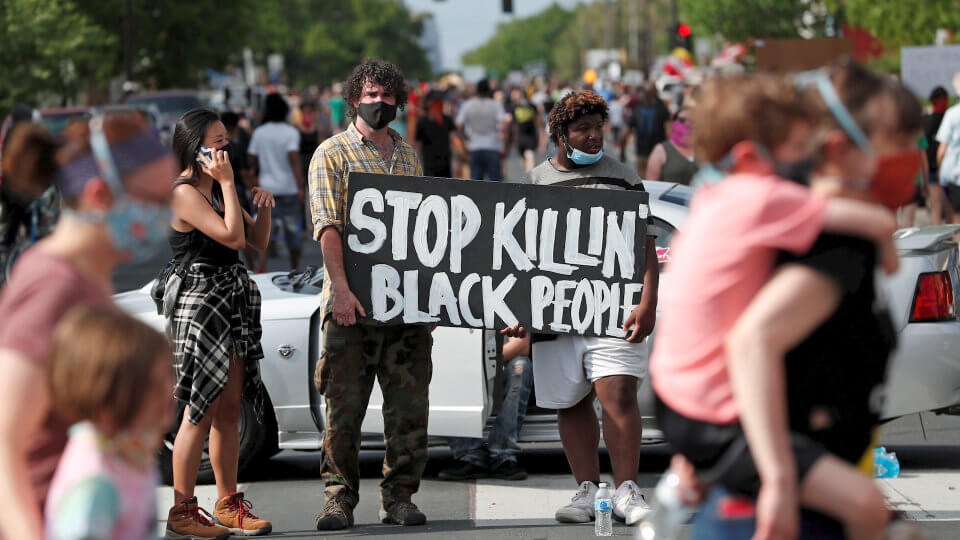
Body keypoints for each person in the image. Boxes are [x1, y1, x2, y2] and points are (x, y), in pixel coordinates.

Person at [650, 64, 921, 539]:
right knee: (865, 508)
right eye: (899, 140)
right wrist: (774, 475)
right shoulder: (781, 211)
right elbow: (753, 340)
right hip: (752, 470)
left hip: (691, 408)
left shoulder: (731, 202)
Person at [0, 112, 174, 540]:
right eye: (155, 201)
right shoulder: (53, 288)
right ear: (100, 195)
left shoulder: (89, 278)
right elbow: (5, 444)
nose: (167, 215)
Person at [513, 90, 660, 526]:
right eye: (583, 129)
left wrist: (648, 302)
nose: (594, 136)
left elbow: (646, 247)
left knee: (619, 394)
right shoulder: (534, 181)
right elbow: (515, 254)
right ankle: (588, 490)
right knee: (569, 401)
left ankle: (628, 489)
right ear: (560, 134)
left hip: (614, 309)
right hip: (554, 311)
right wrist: (516, 308)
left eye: (598, 128)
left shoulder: (624, 178)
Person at [309, 58, 430, 531]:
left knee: (409, 412)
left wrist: (431, 297)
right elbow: (328, 227)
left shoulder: (409, 156)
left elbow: (423, 233)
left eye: (387, 95)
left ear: (399, 100)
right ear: (354, 99)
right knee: (343, 413)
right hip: (351, 309)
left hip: (404, 309)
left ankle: (399, 498)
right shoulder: (332, 154)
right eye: (371, 95)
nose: (379, 102)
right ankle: (338, 499)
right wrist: (341, 291)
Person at [166, 108, 275, 538]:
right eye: (217, 142)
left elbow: (255, 242)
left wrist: (262, 208)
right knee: (200, 409)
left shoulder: (217, 188)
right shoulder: (185, 192)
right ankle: (182, 512)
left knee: (229, 409)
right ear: (196, 149)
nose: (226, 149)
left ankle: (228, 503)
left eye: (227, 141)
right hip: (201, 305)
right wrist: (230, 185)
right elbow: (230, 237)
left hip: (231, 299)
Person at [44, 306, 174, 540]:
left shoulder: (128, 449)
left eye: (170, 377)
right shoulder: (94, 481)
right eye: (155, 386)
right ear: (109, 398)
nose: (171, 391)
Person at [439, 335, 533, 481]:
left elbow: (521, 345)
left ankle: (502, 454)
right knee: (441, 365)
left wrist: (484, 361)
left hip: (498, 361)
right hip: (464, 362)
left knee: (521, 366)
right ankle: (471, 455)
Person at [248, 93, 305, 271]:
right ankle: (295, 268)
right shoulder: (291, 132)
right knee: (292, 233)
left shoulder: (259, 132)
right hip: (288, 189)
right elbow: (294, 159)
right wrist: (301, 187)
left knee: (264, 232)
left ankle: (261, 267)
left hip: (266, 189)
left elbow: (251, 159)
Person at [456, 79, 509, 181]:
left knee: (476, 183)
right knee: (495, 182)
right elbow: (504, 125)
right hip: (493, 146)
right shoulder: (495, 105)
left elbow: (458, 125)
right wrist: (504, 145)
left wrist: (462, 144)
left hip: (474, 146)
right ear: (489, 91)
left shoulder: (468, 105)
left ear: (477, 91)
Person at [626, 84, 670, 176]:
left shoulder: (638, 109)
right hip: (658, 152)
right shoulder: (662, 109)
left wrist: (622, 149)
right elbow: (669, 132)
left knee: (643, 180)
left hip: (642, 152)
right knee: (657, 180)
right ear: (656, 93)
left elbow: (626, 131)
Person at [645, 109, 697, 185]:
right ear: (674, 122)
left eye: (691, 120)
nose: (687, 124)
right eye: (682, 120)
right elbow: (651, 185)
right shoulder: (661, 150)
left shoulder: (703, 149)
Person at [415, 90, 456, 177]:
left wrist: (458, 161)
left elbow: (454, 140)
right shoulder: (422, 122)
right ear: (428, 103)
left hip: (445, 164)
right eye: (435, 102)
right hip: (429, 165)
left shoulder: (447, 120)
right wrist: (417, 163)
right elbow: (418, 143)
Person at [937, 74, 960, 223]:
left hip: (955, 174)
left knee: (957, 217)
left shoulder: (952, 114)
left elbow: (942, 148)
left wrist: (939, 169)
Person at [926, 86, 949, 224]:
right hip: (937, 167)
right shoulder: (944, 119)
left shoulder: (947, 118)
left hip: (941, 168)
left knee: (941, 206)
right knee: (940, 205)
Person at [509, 88, 542, 173]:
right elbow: (510, 122)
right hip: (519, 137)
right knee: (524, 160)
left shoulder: (532, 106)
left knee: (530, 157)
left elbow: (538, 121)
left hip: (531, 136)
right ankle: (527, 175)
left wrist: (541, 138)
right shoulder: (513, 107)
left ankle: (529, 176)